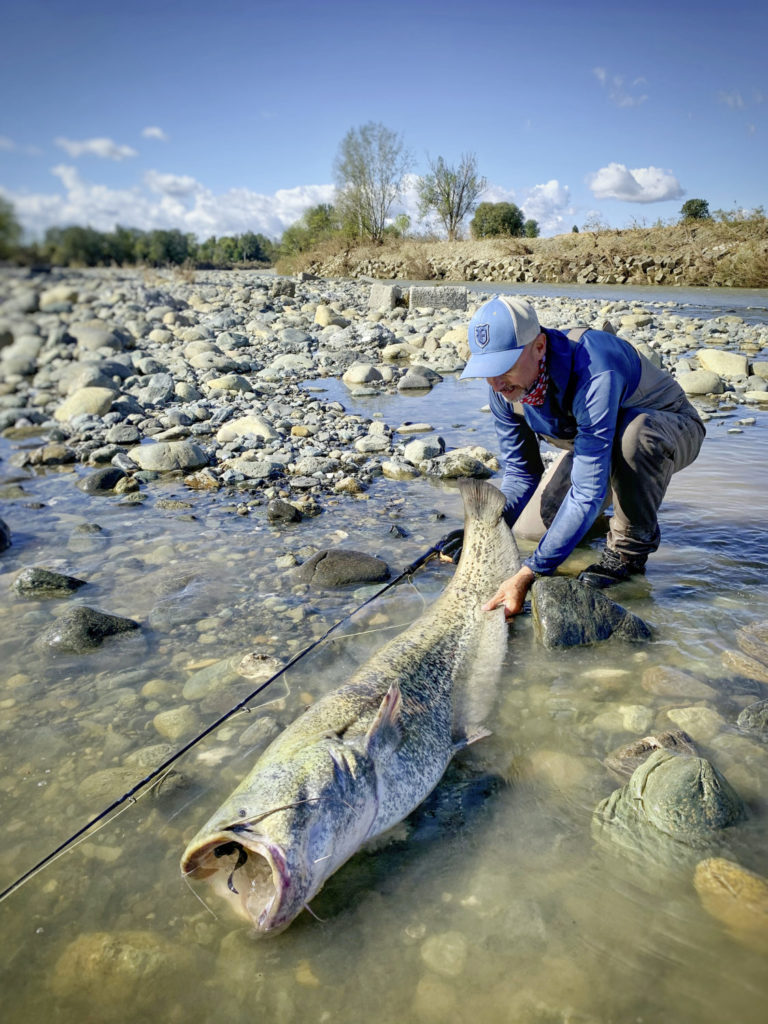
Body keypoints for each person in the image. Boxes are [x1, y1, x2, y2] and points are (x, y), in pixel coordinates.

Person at [459, 296, 705, 619]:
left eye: (503, 367)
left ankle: (629, 550)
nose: (495, 382)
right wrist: (486, 526)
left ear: (539, 346)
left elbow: (587, 492)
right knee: (533, 529)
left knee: (634, 437)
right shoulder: (504, 390)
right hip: (595, 440)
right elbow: (521, 473)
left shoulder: (594, 367)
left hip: (667, 427)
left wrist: (530, 571)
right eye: (486, 370)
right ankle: (614, 511)